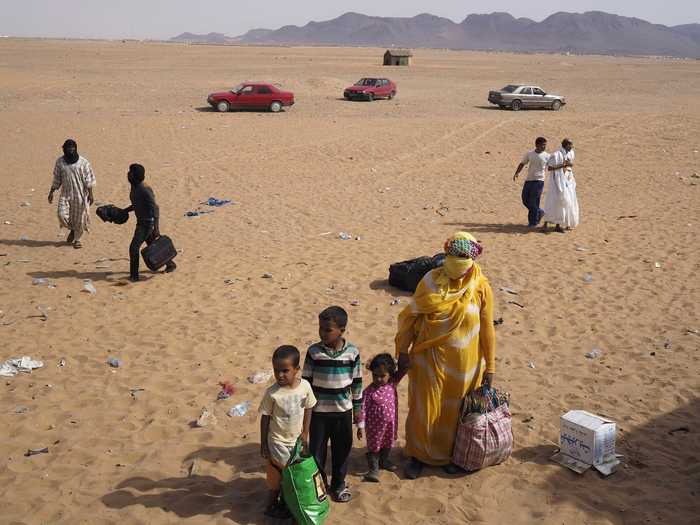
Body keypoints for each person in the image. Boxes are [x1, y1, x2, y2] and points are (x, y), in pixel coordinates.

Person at [395, 232, 496, 479]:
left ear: (472, 258)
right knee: (424, 408)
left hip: (465, 367)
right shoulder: (429, 281)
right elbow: (410, 317)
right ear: (446, 255)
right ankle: (419, 455)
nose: (458, 261)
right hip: (428, 360)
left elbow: (487, 328)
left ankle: (454, 456)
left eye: (463, 257)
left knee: (456, 412)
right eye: (454, 256)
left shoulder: (481, 287)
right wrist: (402, 351)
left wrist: (490, 366)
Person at [302, 306, 363, 503]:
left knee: (342, 451)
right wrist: (304, 413)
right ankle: (320, 486)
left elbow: (357, 383)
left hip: (342, 412)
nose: (322, 333)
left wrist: (357, 410)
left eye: (328, 329)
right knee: (317, 453)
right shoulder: (314, 352)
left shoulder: (352, 353)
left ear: (342, 330)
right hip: (318, 414)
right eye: (320, 328)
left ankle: (338, 484)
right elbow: (306, 384)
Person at [260, 345, 316, 519]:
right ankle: (272, 506)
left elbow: (309, 408)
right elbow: (265, 418)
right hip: (277, 441)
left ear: (297, 370)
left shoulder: (305, 387)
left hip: (296, 441)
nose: (280, 375)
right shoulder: (272, 393)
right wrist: (263, 443)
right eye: (276, 371)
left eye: (285, 370)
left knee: (293, 474)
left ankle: (287, 503)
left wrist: (305, 432)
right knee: (282, 475)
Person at [357, 353, 405, 482]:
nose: (378, 379)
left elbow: (403, 369)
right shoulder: (368, 392)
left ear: (390, 374)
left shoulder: (392, 384)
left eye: (382, 376)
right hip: (374, 428)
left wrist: (403, 352)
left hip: (390, 425)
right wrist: (360, 426)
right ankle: (373, 469)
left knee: (388, 443)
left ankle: (384, 461)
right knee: (374, 447)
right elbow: (362, 409)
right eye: (375, 375)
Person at [124, 163, 176, 282]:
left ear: (136, 176)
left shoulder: (144, 189)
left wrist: (156, 227)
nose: (128, 174)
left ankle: (134, 275)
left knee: (133, 248)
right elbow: (137, 204)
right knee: (154, 246)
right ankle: (170, 264)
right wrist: (124, 210)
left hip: (146, 224)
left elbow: (155, 208)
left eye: (131, 172)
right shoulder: (134, 187)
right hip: (141, 222)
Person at [48, 139, 96, 249]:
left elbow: (89, 179)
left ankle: (77, 239)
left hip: (80, 194)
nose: (70, 150)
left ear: (76, 148)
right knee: (61, 215)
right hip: (66, 194)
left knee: (80, 218)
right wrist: (51, 192)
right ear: (64, 149)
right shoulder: (60, 162)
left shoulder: (83, 163)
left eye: (72, 148)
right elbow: (57, 178)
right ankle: (72, 229)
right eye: (68, 148)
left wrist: (91, 194)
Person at [542, 138, 579, 233]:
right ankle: (545, 224)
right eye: (570, 145)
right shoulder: (556, 155)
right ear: (565, 145)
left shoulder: (571, 153)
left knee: (565, 202)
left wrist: (569, 165)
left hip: (567, 181)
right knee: (553, 201)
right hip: (556, 183)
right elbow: (549, 168)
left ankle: (558, 225)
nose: (571, 147)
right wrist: (562, 165)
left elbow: (570, 165)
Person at [513, 137, 550, 227]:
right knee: (525, 200)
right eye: (542, 145)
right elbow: (522, 163)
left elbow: (551, 167)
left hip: (539, 181)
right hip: (529, 180)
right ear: (537, 145)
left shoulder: (547, 156)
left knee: (534, 200)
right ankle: (540, 212)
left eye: (545, 145)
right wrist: (517, 173)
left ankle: (533, 222)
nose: (544, 146)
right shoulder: (529, 154)